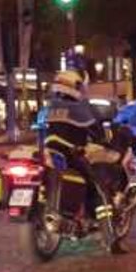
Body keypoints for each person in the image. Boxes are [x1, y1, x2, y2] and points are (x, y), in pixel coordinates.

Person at [40, 69, 121, 221]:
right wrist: (104, 141)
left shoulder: (49, 107)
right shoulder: (79, 109)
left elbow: (39, 129)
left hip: (49, 153)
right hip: (72, 155)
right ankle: (108, 231)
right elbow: (95, 131)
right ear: (74, 86)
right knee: (96, 184)